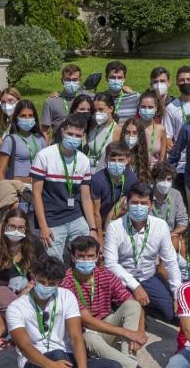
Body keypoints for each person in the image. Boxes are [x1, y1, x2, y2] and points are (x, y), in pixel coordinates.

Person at [7, 255, 121, 368]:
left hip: (66, 363)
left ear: (59, 283)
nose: (45, 287)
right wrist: (52, 366)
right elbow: (25, 346)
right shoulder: (16, 307)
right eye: (41, 281)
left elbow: (76, 337)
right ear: (33, 277)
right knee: (57, 354)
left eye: (51, 283)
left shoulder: (66, 296)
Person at [62, 235, 170, 368]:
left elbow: (133, 302)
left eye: (90, 256)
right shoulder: (67, 281)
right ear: (73, 257)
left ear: (98, 256)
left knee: (132, 306)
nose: (86, 260)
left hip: (106, 327)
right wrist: (126, 333)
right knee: (89, 338)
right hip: (82, 334)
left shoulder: (105, 275)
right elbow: (86, 321)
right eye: (81, 256)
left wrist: (139, 332)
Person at [102, 183, 182, 323]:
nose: (139, 207)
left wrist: (177, 294)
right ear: (126, 203)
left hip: (149, 277)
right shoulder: (114, 227)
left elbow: (170, 261)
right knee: (129, 317)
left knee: (171, 314)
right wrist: (135, 286)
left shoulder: (160, 226)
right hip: (122, 280)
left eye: (143, 203)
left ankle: (143, 308)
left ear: (151, 205)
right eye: (134, 203)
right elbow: (110, 263)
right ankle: (132, 309)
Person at [31, 115, 96, 259]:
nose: (73, 138)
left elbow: (86, 198)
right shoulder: (44, 156)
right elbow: (36, 194)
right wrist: (43, 227)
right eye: (70, 134)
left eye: (78, 135)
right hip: (51, 219)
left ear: (83, 137)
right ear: (62, 132)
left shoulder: (83, 160)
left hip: (75, 217)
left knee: (85, 257)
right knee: (53, 262)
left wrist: (92, 228)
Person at [0, 210, 41, 312]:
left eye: (21, 228)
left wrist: (32, 285)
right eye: (12, 226)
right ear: (5, 226)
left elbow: (44, 270)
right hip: (4, 292)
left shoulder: (35, 242)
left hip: (30, 287)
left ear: (26, 229)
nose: (16, 231)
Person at [88, 141, 136, 234]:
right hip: (98, 221)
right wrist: (100, 235)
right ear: (106, 160)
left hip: (117, 221)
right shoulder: (97, 180)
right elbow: (95, 212)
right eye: (113, 160)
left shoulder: (131, 178)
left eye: (121, 160)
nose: (116, 163)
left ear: (128, 160)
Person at [148, 161, 188, 234]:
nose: (165, 182)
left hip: (170, 235)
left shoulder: (176, 195)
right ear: (154, 180)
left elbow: (183, 222)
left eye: (169, 179)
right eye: (161, 179)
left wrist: (170, 236)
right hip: (150, 235)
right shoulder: (146, 194)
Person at [85, 92, 120, 171]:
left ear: (111, 109)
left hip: (106, 173)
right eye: (95, 110)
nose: (97, 113)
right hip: (89, 172)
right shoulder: (92, 126)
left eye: (101, 109)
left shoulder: (118, 131)